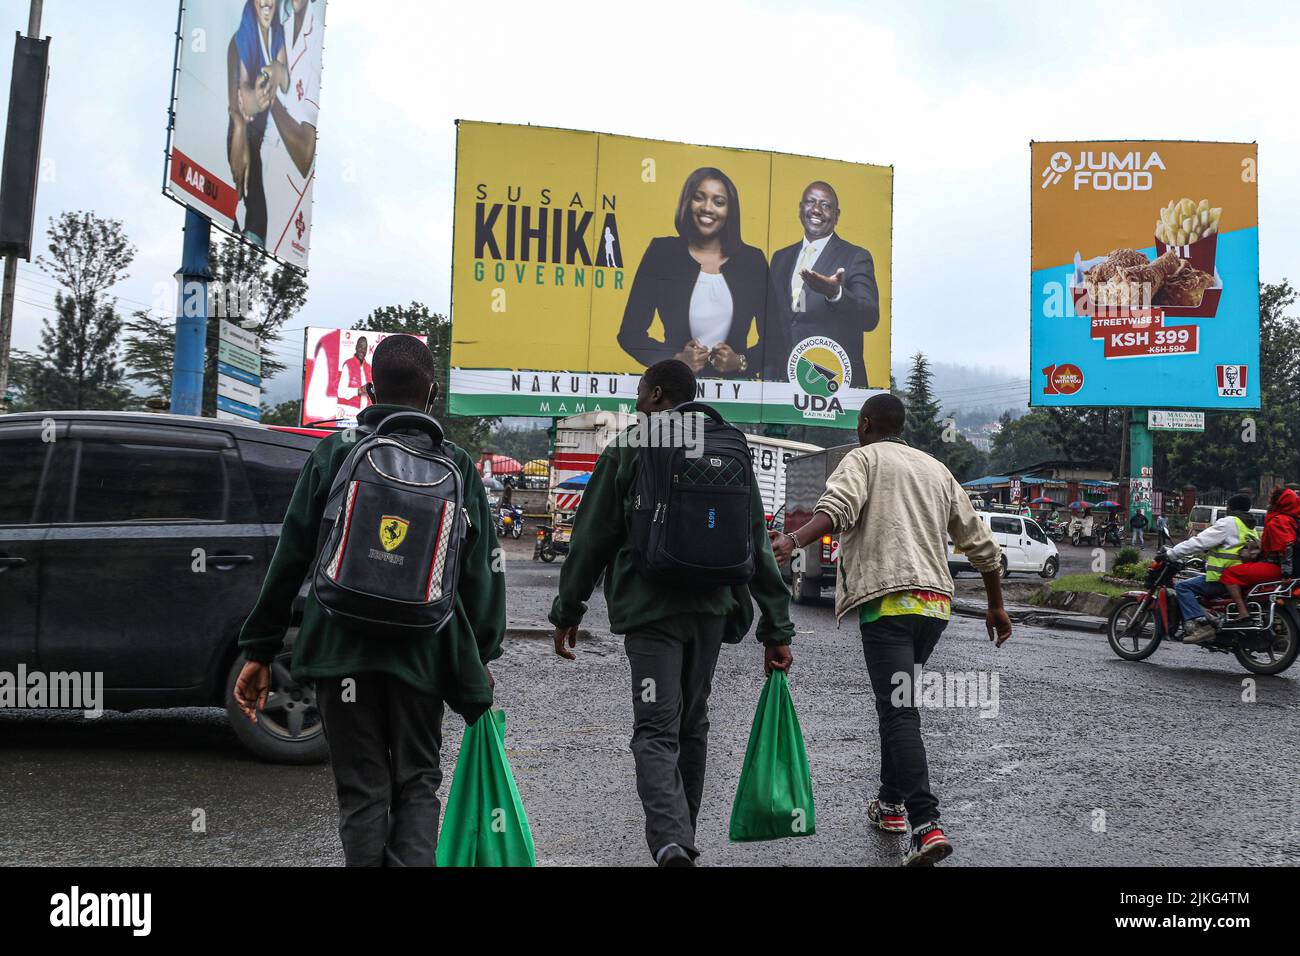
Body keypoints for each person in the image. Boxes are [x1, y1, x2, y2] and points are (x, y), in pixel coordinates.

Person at [234, 335, 505, 866]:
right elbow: (484, 576)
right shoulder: (459, 467)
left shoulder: (336, 454)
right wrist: (481, 655)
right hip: (424, 655)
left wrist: (260, 647)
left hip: (342, 651)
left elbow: (291, 555)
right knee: (418, 785)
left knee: (362, 791)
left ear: (367, 386)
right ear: (432, 394)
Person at [549, 359, 795, 867]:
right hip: (712, 609)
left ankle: (670, 842)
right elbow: (755, 541)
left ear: (658, 395)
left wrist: (568, 609)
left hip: (650, 611)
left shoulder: (631, 447)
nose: (637, 403)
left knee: (655, 729)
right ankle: (683, 833)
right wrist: (776, 625)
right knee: (692, 723)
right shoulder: (730, 445)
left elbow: (592, 538)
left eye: (641, 393)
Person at [769, 393, 1012, 866]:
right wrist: (996, 607)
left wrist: (794, 539)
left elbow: (835, 509)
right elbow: (982, 546)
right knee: (898, 706)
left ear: (865, 425)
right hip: (934, 608)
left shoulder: (862, 459)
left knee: (900, 713)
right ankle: (890, 806)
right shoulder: (935, 469)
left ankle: (926, 824)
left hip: (888, 604)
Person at [617, 167, 769, 379]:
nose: (708, 208)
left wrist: (741, 362)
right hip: (676, 388)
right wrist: (675, 360)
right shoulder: (662, 252)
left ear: (730, 211)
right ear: (687, 202)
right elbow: (630, 334)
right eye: (699, 198)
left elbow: (776, 340)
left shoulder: (752, 261)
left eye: (719, 202)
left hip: (736, 394)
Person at [765, 181, 881, 385]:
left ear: (837, 215)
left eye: (825, 205)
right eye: (810, 202)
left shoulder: (856, 256)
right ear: (800, 209)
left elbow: (870, 317)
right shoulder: (780, 258)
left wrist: (836, 293)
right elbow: (776, 325)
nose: (816, 210)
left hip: (834, 384)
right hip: (782, 385)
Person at [262, 0, 324, 263]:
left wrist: (272, 102)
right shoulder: (282, 27)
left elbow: (304, 153)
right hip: (259, 186)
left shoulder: (313, 40)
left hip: (284, 214)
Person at [226, 0, 289, 247]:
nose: (266, 2)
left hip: (255, 142)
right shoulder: (242, 39)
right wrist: (242, 123)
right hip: (239, 140)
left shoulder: (277, 34)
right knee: (243, 216)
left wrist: (276, 69)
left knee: (256, 219)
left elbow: (283, 78)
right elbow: (241, 95)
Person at [1165, 493, 1259, 644]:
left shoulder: (1229, 523)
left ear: (1229, 507)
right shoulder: (1249, 526)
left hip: (1223, 578)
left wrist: (1173, 553)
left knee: (1183, 587)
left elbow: (1199, 542)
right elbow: (1230, 549)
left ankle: (1200, 626)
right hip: (1241, 577)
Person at [1220, 488, 1300, 626]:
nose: (1269, 504)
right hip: (1286, 569)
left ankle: (1243, 612)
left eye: (1272, 501)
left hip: (1275, 567)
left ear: (1279, 503)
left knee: (1228, 574)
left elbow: (1287, 546)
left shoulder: (1279, 520)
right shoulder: (1293, 519)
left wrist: (1286, 574)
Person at [338, 336, 373, 411]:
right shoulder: (348, 365)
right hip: (351, 411)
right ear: (356, 347)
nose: (362, 351)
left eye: (365, 348)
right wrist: (358, 391)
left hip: (366, 412)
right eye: (360, 347)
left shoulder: (369, 368)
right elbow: (340, 392)